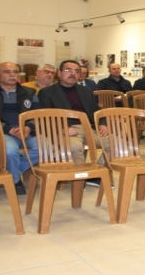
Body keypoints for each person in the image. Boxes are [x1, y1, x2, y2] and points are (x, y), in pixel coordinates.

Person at [38, 60, 111, 188]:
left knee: (117, 144)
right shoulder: (47, 92)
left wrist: (103, 123)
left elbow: (96, 110)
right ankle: (79, 179)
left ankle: (95, 174)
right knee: (75, 147)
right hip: (67, 128)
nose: (73, 74)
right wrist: (60, 129)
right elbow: (45, 116)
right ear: (59, 73)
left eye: (76, 71)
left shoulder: (86, 91)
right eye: (68, 70)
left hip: (89, 127)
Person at [0, 62, 40, 195]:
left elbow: (37, 115)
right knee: (11, 151)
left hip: (26, 132)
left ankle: (13, 173)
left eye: (15, 72)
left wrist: (28, 127)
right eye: (7, 72)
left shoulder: (29, 93)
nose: (12, 75)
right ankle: (16, 181)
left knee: (47, 148)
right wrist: (8, 130)